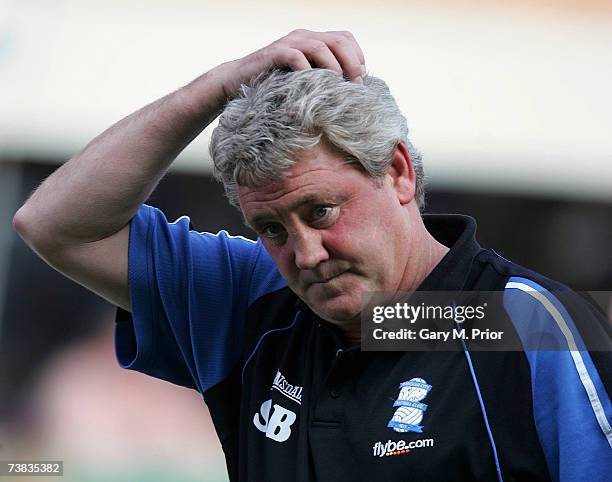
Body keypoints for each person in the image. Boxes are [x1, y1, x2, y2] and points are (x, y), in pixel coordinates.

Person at [13, 29, 611, 481]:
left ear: (398, 172)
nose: (306, 254)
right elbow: (54, 225)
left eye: (322, 211)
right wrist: (220, 85)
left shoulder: (525, 323)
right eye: (271, 227)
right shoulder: (252, 298)